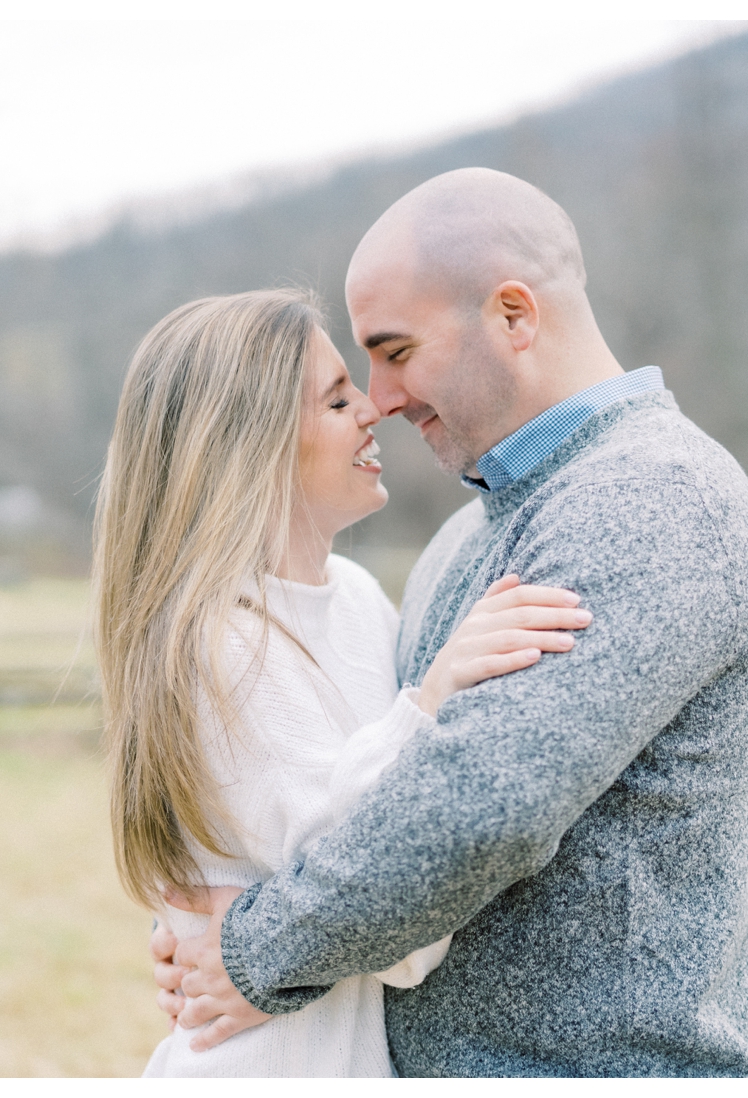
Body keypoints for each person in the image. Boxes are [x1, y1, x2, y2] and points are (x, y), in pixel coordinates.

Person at [153, 168, 748, 1077]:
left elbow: (478, 811)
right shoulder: (469, 534)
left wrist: (251, 948)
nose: (378, 397)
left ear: (515, 316)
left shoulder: (648, 501)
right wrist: (208, 899)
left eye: (397, 350)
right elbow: (348, 772)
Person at [93, 288, 593, 1077]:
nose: (373, 409)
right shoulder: (219, 644)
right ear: (248, 444)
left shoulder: (355, 595)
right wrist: (430, 702)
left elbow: (375, 872)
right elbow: (380, 895)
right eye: (335, 399)